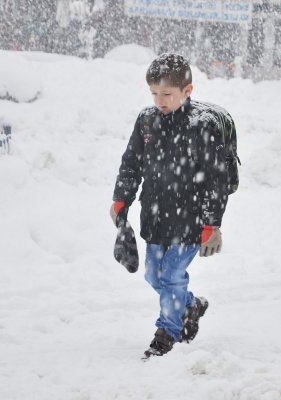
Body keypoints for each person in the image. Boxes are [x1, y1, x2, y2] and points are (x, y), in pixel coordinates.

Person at [111, 53, 232, 358]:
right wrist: (121, 198)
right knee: (154, 275)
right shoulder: (147, 121)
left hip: (189, 218)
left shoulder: (201, 125)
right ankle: (189, 306)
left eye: (167, 94)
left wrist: (210, 224)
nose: (159, 100)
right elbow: (131, 163)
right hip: (155, 216)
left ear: (187, 91)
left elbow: (215, 180)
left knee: (172, 275)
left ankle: (167, 331)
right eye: (154, 93)